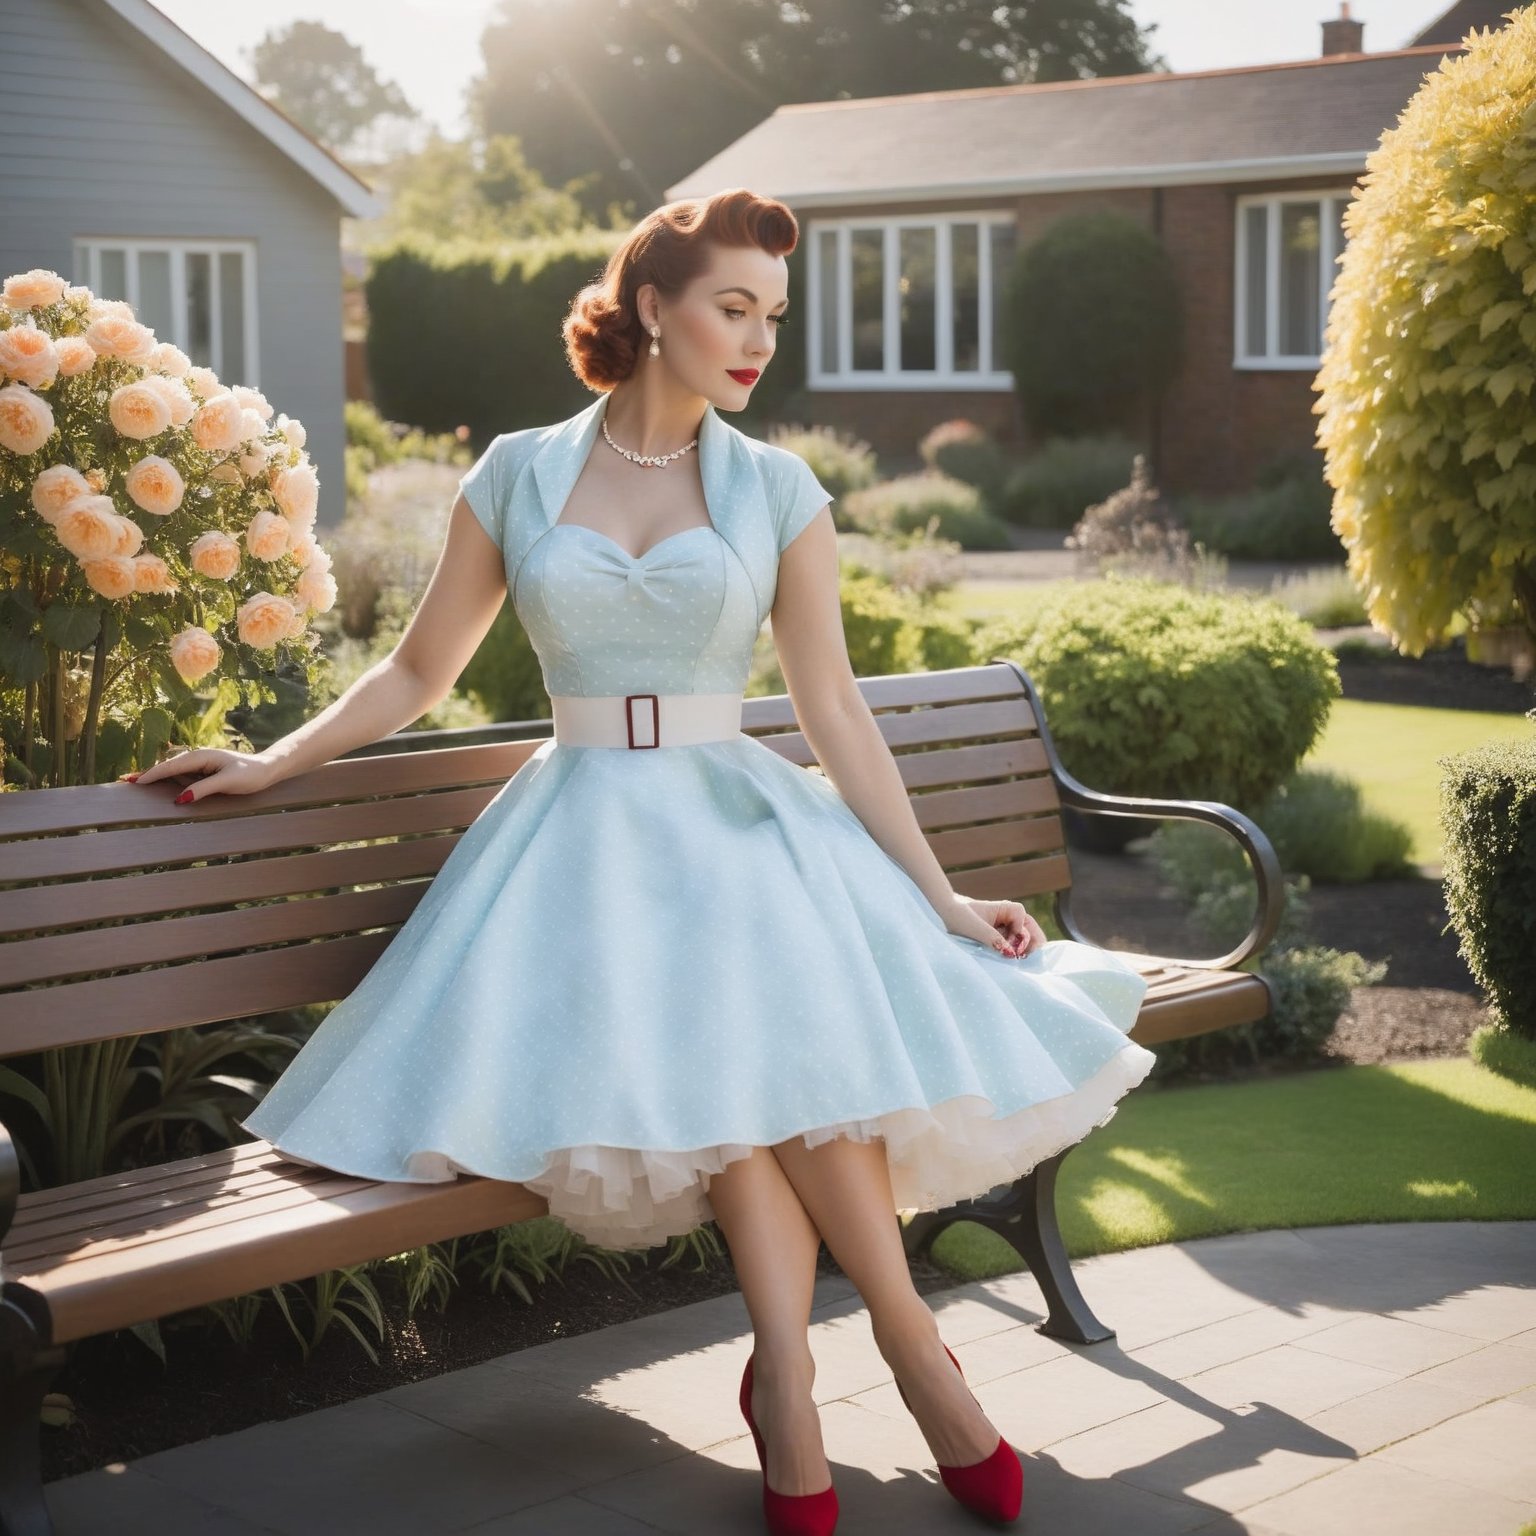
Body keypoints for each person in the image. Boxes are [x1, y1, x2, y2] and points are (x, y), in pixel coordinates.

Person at [123, 187, 1156, 1534]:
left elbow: (834, 708)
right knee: (724, 1030)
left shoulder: (780, 489)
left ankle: (871, 1355)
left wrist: (940, 892)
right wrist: (274, 764)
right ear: (652, 307)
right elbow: (419, 667)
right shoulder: (516, 471)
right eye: (734, 307)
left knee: (761, 1029)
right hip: (586, 842)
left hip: (739, 817)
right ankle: (834, 1368)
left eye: (773, 318)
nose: (757, 340)